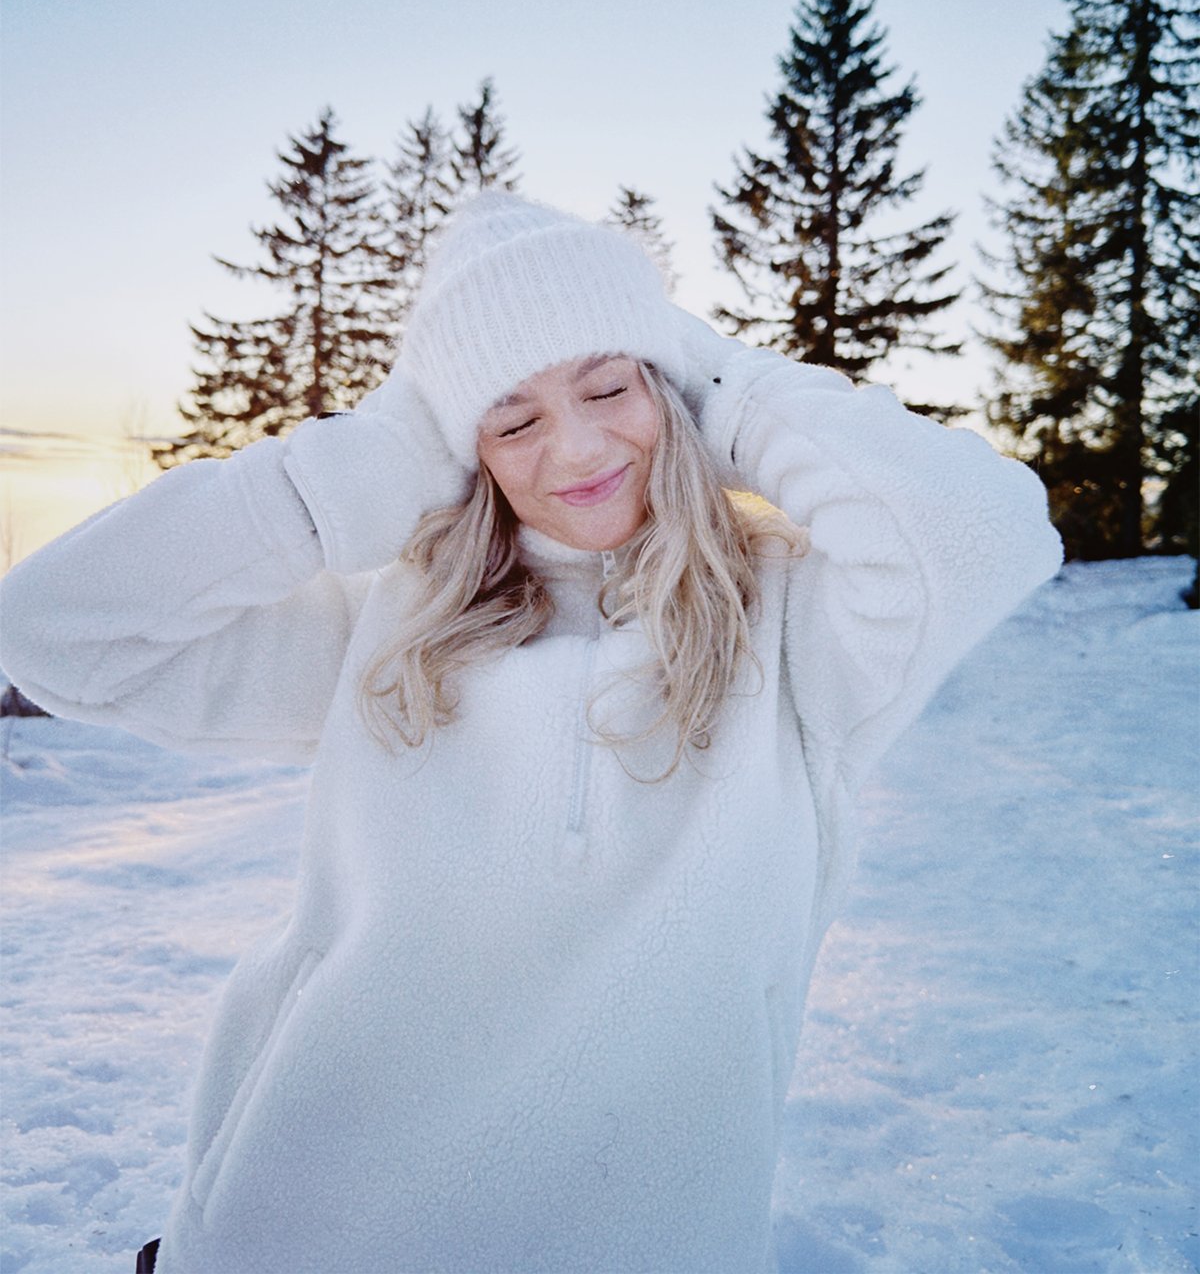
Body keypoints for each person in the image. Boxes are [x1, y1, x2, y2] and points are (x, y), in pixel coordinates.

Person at [0, 192, 1063, 1274]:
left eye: (611, 383)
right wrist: (380, 454)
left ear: (670, 382)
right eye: (513, 419)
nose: (580, 444)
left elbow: (981, 530)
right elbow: (53, 630)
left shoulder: (795, 624)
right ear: (462, 450)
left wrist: (724, 380)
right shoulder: (391, 623)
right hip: (291, 1233)